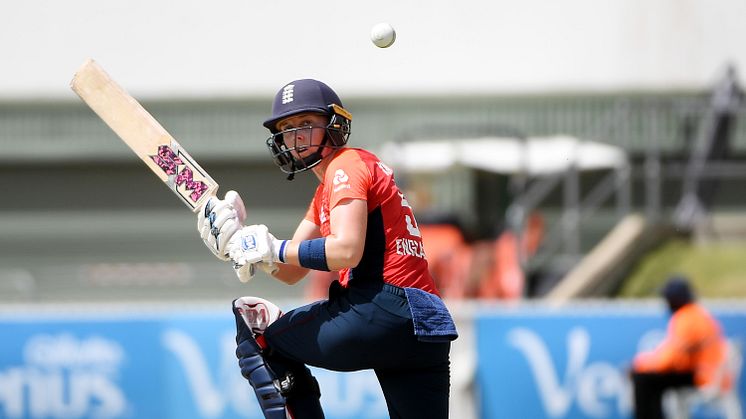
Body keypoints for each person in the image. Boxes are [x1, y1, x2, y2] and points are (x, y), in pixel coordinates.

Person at [197, 79, 457, 419]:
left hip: (380, 306)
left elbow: (346, 251)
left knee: (261, 337)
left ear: (334, 124)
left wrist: (271, 248)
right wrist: (243, 245)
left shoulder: (345, 165)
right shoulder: (331, 186)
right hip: (427, 324)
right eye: (287, 128)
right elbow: (291, 271)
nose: (296, 136)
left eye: (306, 124)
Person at [630, 275, 730, 419]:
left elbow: (668, 361)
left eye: (668, 298)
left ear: (676, 299)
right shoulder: (697, 313)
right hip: (706, 373)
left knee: (642, 379)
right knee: (649, 379)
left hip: (702, 376)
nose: (666, 302)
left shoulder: (686, 318)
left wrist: (640, 364)